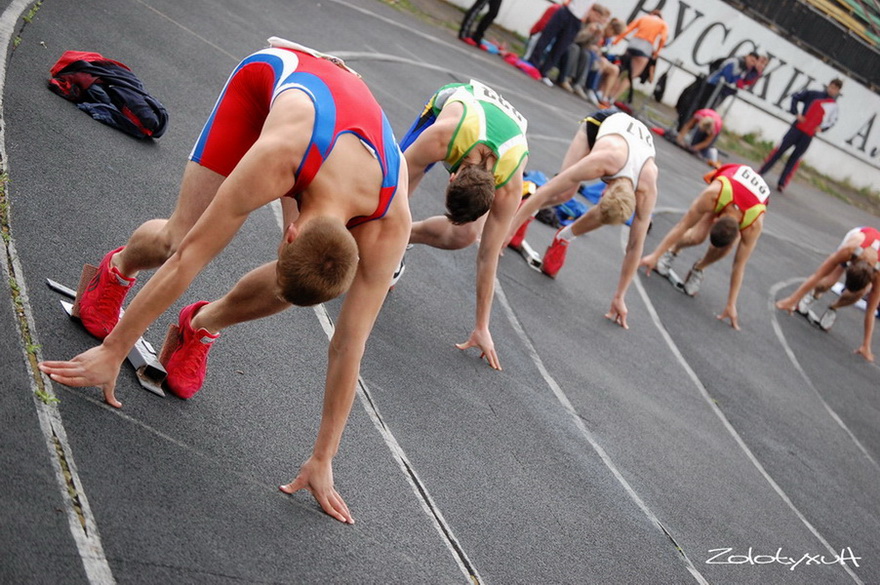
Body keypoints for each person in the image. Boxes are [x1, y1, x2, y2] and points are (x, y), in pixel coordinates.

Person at [38, 39, 412, 524]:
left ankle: (201, 323)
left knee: (293, 284)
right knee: (179, 237)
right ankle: (118, 269)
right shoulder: (278, 155)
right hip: (272, 90)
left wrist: (324, 457)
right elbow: (189, 259)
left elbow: (350, 344)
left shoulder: (391, 225)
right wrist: (114, 349)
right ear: (291, 225)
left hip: (336, 142)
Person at [398, 80, 528, 370]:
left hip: (501, 134)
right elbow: (392, 184)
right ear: (452, 177)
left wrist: (482, 325)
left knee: (467, 235)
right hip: (455, 107)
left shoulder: (509, 186)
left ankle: (404, 238)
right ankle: (392, 240)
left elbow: (488, 255)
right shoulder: (442, 137)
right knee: (397, 188)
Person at [506, 108, 658, 329]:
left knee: (610, 213)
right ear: (603, 192)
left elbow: (635, 246)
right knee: (564, 193)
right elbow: (547, 190)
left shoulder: (648, 187)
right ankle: (523, 212)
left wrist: (620, 296)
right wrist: (509, 229)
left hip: (632, 147)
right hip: (600, 126)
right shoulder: (601, 160)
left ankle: (564, 236)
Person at [639, 164, 769, 330]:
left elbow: (739, 265)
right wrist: (655, 255)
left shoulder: (753, 225)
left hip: (748, 202)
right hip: (729, 187)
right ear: (713, 219)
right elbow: (683, 225)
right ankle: (672, 252)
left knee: (725, 248)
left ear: (740, 232)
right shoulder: (713, 195)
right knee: (696, 236)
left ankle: (700, 268)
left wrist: (731, 304)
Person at [775, 226, 880, 362]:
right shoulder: (849, 250)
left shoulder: (878, 275)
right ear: (851, 264)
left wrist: (866, 345)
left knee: (859, 294)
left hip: (871, 259)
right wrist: (791, 300)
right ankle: (814, 295)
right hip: (860, 237)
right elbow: (818, 275)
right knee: (827, 283)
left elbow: (870, 311)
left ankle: (834, 307)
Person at [758, 78, 842, 192]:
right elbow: (795, 97)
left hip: (809, 135)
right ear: (828, 85)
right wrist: (796, 113)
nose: (833, 90)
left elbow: (832, 121)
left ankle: (782, 183)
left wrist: (822, 129)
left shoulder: (833, 106)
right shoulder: (813, 94)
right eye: (832, 87)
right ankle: (761, 172)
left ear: (838, 91)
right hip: (797, 128)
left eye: (836, 89)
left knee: (795, 158)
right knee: (779, 150)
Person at [605, 9, 668, 104]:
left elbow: (628, 29)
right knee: (631, 76)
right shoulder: (663, 24)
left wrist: (616, 41)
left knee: (621, 71)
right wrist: (656, 52)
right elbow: (663, 39)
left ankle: (607, 95)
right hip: (646, 47)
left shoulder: (644, 18)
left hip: (633, 43)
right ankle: (613, 99)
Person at [528, 0, 598, 85]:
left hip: (577, 20)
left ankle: (544, 71)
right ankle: (533, 62)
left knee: (560, 47)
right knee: (546, 37)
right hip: (566, 11)